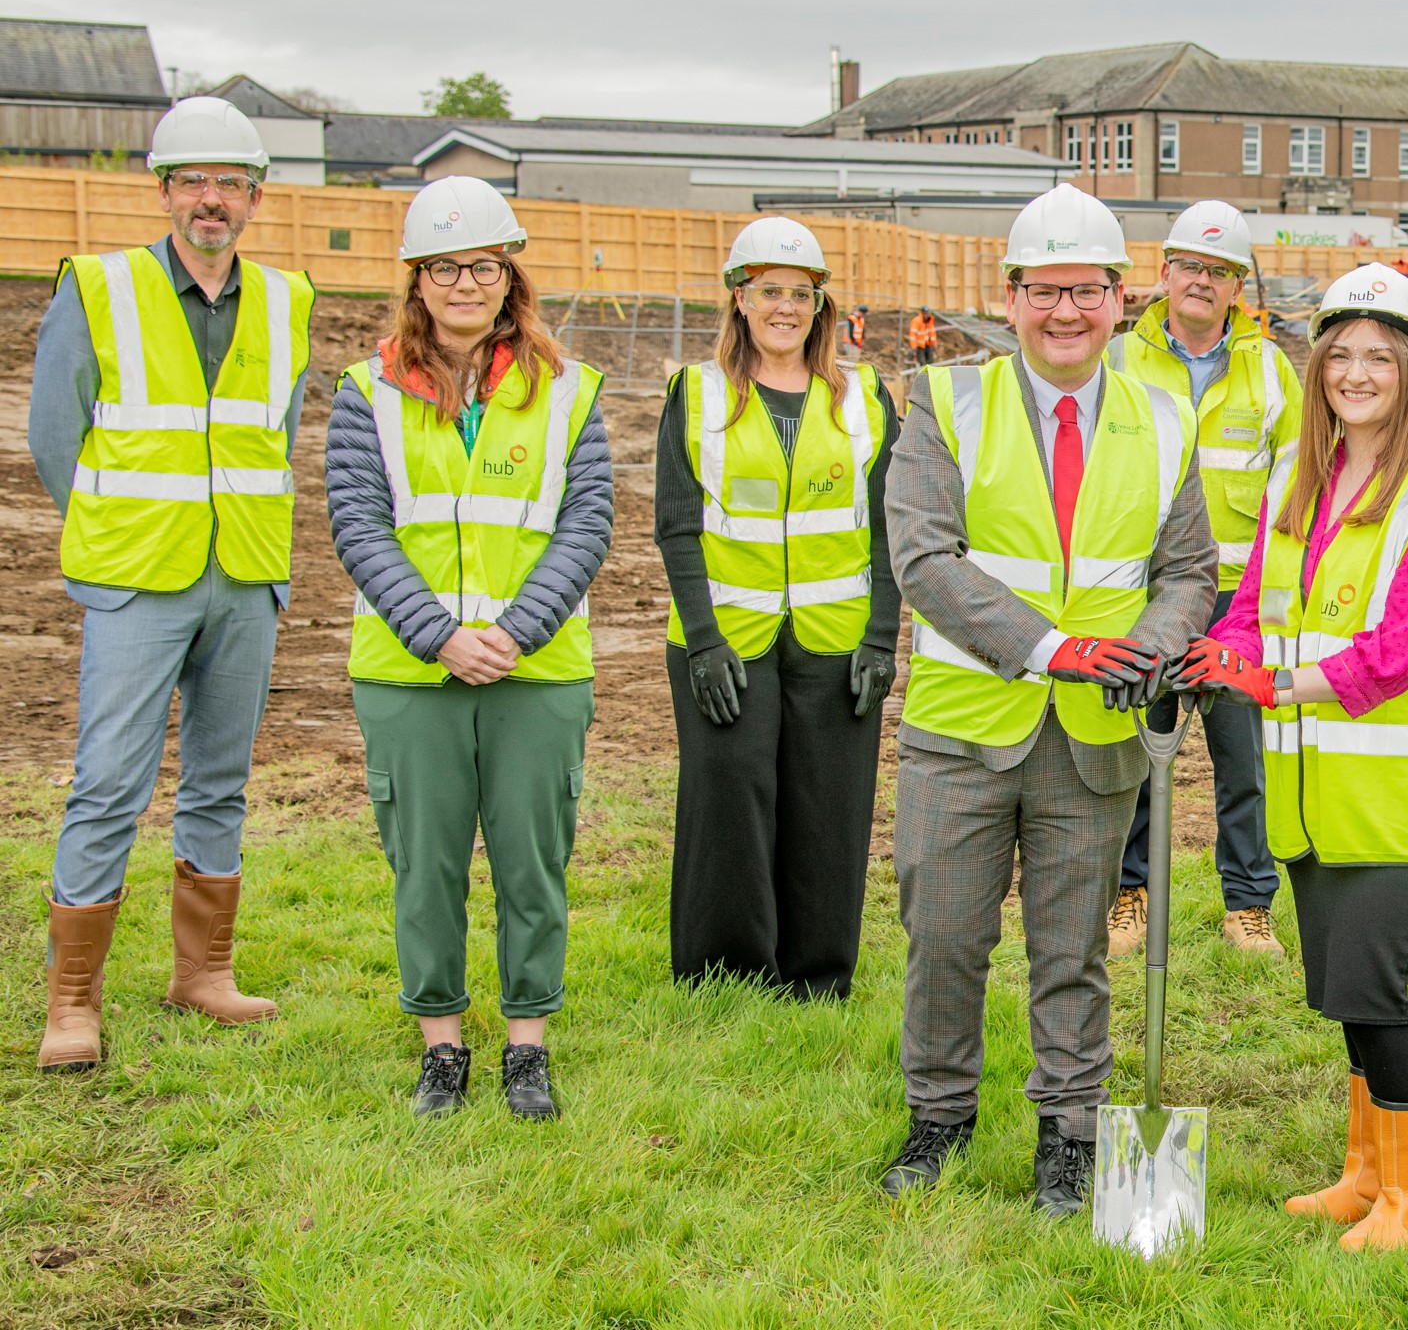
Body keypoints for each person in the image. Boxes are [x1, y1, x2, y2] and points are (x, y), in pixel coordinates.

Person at [880, 183, 1216, 1215]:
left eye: (1085, 291)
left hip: (1095, 735)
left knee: (1072, 946)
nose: (1064, 312)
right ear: (1010, 298)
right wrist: (1053, 647)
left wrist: (1146, 651)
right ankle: (937, 1116)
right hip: (963, 726)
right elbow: (924, 558)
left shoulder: (1165, 418)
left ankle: (1069, 1132)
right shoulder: (945, 402)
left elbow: (1189, 572)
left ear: (1122, 299)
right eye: (1043, 291)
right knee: (943, 935)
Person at [1180, 266, 1408, 1251]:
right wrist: (1217, 648)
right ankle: (1367, 1173)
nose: (1356, 374)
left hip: (1393, 796)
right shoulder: (1298, 475)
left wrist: (1273, 685)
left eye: (1378, 356)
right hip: (1312, 790)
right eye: (1340, 355)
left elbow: (1398, 650)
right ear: (1318, 366)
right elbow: (1254, 599)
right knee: (1340, 993)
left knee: (1374, 989)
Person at [29, 97, 315, 1071]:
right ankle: (73, 1001)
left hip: (243, 575)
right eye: (193, 180)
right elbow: (52, 433)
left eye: (229, 183)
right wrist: (111, 524)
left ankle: (204, 973)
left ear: (253, 197)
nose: (211, 199)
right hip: (136, 576)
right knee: (109, 781)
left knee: (220, 780)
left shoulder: (287, 300)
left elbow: (271, 430)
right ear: (164, 190)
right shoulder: (98, 287)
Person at [325, 177, 613, 1120]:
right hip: (412, 671)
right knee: (427, 862)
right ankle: (440, 1044)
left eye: (481, 265)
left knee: (534, 860)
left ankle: (526, 1041)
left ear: (507, 276)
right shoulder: (366, 390)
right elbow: (357, 523)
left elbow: (588, 521)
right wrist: (438, 635)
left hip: (537, 671)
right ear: (416, 279)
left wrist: (513, 632)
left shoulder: (566, 388)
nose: (463, 283)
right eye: (444, 267)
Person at [656, 217, 899, 999]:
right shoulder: (695, 393)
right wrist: (700, 641)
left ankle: (818, 974)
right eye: (769, 292)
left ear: (821, 304)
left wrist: (882, 638)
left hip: (837, 639)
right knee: (728, 798)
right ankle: (725, 973)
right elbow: (676, 524)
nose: (785, 307)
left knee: (828, 808)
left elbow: (891, 524)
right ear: (739, 298)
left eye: (801, 293)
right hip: (725, 637)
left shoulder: (863, 395)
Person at [1104, 202, 1301, 959]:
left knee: (1241, 760)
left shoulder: (1269, 369)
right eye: (1190, 265)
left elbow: (1291, 488)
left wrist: (1263, 600)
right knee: (1136, 750)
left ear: (1237, 287)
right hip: (1146, 594)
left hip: (1234, 603)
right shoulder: (1121, 359)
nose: (1201, 281)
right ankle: (1131, 893)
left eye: (1219, 272)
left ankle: (1247, 904)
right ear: (1164, 273)